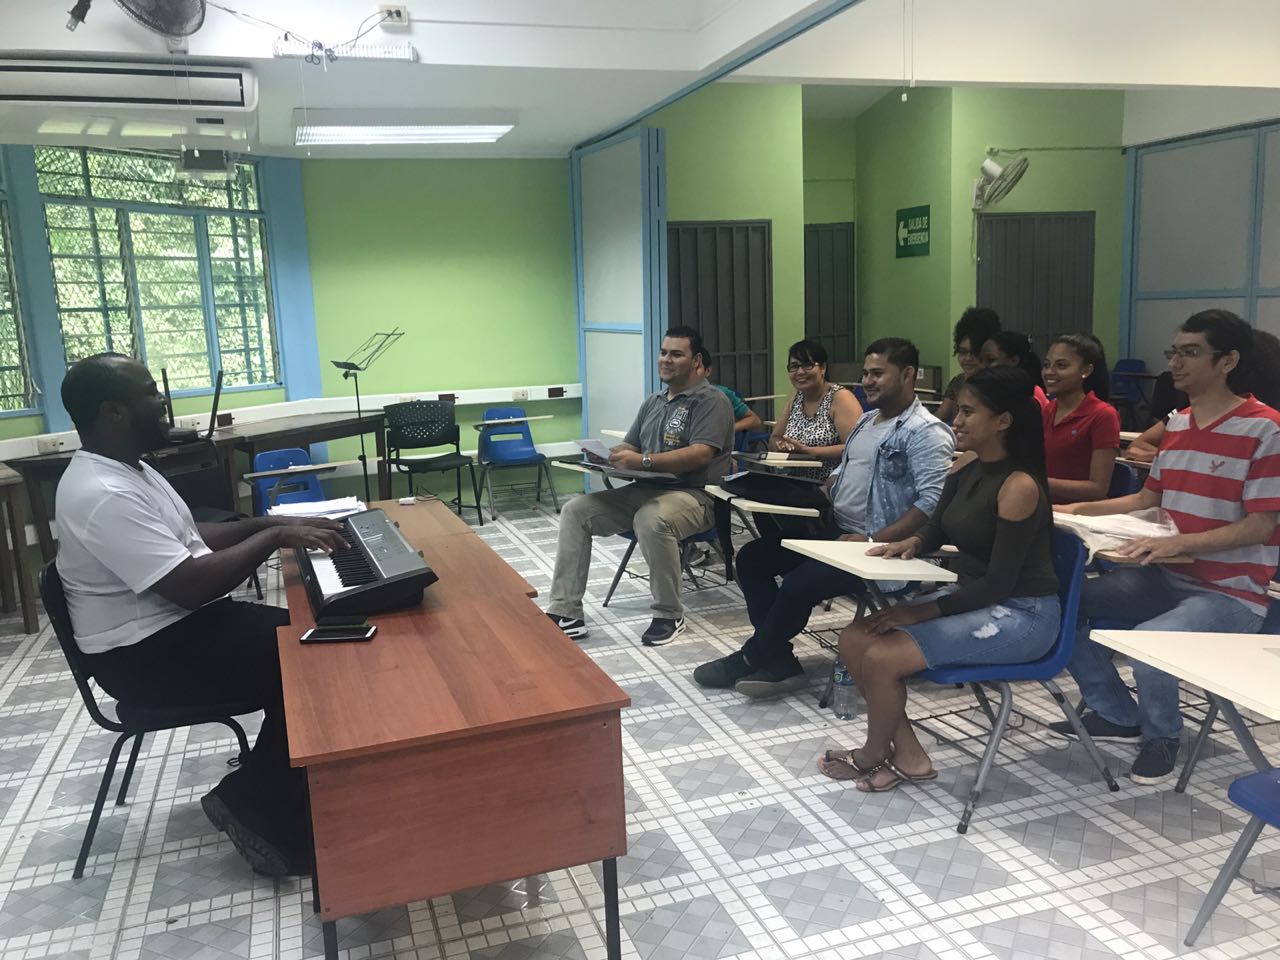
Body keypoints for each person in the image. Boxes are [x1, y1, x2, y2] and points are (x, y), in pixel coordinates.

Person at [54, 353, 349, 876]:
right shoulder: (102, 493)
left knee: (307, 641)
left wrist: (272, 522)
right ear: (113, 412)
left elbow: (191, 537)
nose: (162, 399)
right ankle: (257, 806)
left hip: (169, 633)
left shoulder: (130, 469)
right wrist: (275, 537)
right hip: (144, 657)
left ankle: (273, 786)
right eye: (150, 391)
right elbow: (189, 587)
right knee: (312, 657)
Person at [1053, 310, 1280, 784]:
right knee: (1059, 607)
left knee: (1148, 645)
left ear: (1228, 361)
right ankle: (1117, 712)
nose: (1176, 363)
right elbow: (1146, 499)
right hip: (1168, 575)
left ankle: (1162, 735)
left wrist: (1180, 541)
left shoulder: (1265, 430)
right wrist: (1071, 512)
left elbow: (1261, 525)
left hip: (1231, 592)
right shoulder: (1177, 423)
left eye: (1191, 352)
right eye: (1174, 352)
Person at [819, 367, 1060, 792]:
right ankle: (910, 756)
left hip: (1022, 613)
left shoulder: (1018, 485)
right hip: (975, 597)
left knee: (882, 657)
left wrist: (918, 611)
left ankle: (873, 754)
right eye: (958, 410)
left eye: (969, 412)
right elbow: (940, 527)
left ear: (1003, 421)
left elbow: (1000, 584)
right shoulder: (967, 466)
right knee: (855, 639)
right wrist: (910, 541)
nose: (957, 420)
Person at [693, 338, 953, 698]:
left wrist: (875, 538)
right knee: (753, 558)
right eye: (865, 373)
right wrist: (825, 489)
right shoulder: (866, 422)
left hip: (878, 548)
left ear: (908, 375)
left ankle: (754, 655)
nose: (868, 381)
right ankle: (779, 659)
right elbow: (845, 470)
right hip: (834, 530)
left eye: (878, 373)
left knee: (800, 583)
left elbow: (933, 502)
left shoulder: (925, 432)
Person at [546, 326, 734, 647]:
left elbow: (701, 454)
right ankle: (566, 612)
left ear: (696, 360)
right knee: (576, 510)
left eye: (676, 354)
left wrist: (643, 461)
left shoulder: (710, 401)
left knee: (651, 518)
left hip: (698, 495)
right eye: (663, 352)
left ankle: (668, 613)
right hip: (646, 491)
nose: (666, 360)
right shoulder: (654, 402)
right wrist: (610, 458)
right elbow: (631, 447)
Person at [1041, 333, 1120, 504]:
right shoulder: (1047, 411)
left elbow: (1097, 488)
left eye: (1061, 366)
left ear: (1086, 371)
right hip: (1043, 507)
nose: (1049, 372)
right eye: (1047, 365)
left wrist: (1036, 482)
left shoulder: (1103, 415)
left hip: (1078, 516)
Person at [768, 339, 863, 478]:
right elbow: (774, 438)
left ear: (823, 368)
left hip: (830, 484)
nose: (800, 372)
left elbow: (856, 448)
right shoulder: (796, 397)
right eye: (794, 366)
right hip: (795, 480)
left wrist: (810, 452)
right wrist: (781, 445)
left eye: (808, 365)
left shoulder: (840, 397)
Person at [936, 307, 1001, 424]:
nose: (968, 359)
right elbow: (939, 418)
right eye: (962, 352)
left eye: (975, 352)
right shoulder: (958, 382)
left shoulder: (997, 386)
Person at [697, 350, 764, 435]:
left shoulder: (721, 393)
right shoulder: (677, 396)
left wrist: (726, 430)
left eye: (695, 369)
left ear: (708, 371)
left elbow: (754, 420)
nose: (689, 374)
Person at [980, 330, 1048, 407]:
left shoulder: (1033, 394)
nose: (983, 366)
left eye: (991, 360)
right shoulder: (982, 392)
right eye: (981, 360)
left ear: (1014, 360)